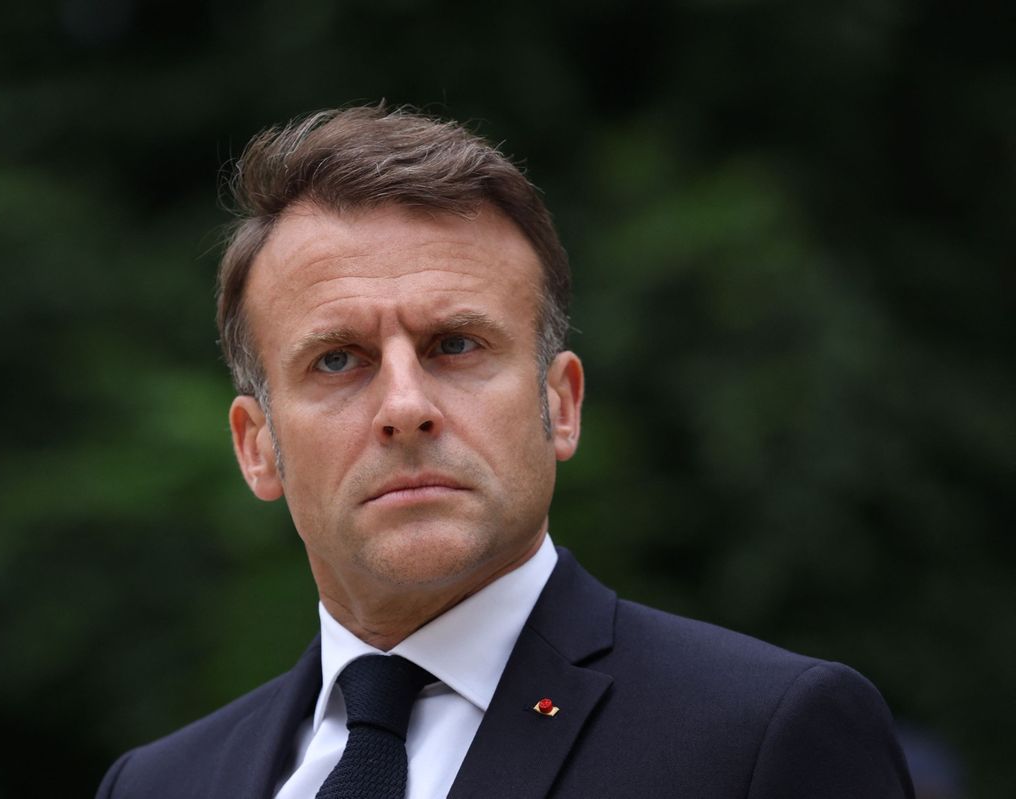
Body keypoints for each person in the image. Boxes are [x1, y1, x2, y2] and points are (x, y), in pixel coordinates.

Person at [96, 105, 914, 798]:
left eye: (455, 344)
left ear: (559, 404)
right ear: (257, 447)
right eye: (337, 359)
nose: (405, 406)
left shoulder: (760, 738)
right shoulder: (159, 783)